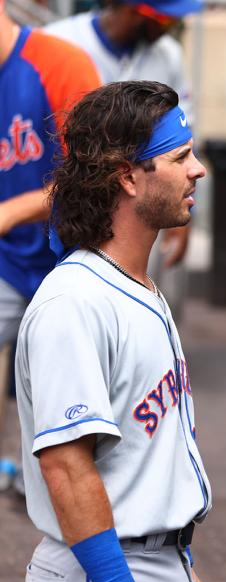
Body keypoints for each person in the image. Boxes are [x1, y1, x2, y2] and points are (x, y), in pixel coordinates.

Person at [18, 80, 214, 582]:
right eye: (179, 157)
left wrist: (178, 564)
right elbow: (67, 466)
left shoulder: (134, 284)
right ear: (129, 177)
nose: (197, 170)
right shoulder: (75, 303)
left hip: (139, 571)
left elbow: (138, 456)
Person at [46, 0, 204, 313]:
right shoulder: (59, 42)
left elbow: (182, 139)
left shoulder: (166, 54)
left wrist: (183, 209)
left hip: (142, 203)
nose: (171, 27)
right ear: (137, 11)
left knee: (140, 305)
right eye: (167, 19)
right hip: (76, 208)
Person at [0, 1, 99, 346]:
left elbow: (95, 175)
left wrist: (12, 211)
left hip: (74, 255)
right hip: (7, 261)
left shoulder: (59, 62)